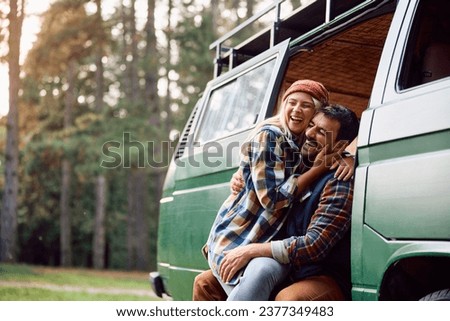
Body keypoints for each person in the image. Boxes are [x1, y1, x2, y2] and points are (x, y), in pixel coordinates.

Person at [203, 79, 353, 300]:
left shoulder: (336, 177)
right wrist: (242, 172)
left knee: (270, 280)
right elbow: (271, 195)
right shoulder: (281, 142)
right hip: (243, 237)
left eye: (321, 132)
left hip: (304, 266)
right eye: (312, 126)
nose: (311, 134)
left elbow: (314, 245)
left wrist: (349, 158)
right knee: (205, 282)